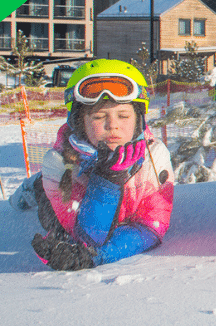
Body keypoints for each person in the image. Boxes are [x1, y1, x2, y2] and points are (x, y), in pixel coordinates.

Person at [26, 59, 174, 271]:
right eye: (98, 116)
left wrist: (95, 257)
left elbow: (152, 227)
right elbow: (87, 236)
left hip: (119, 219)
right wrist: (105, 182)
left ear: (138, 120)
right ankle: (30, 187)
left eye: (123, 115)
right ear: (79, 121)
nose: (112, 124)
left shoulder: (154, 156)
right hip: (63, 185)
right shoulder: (57, 163)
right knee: (45, 207)